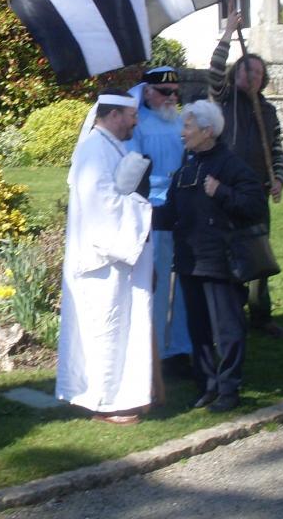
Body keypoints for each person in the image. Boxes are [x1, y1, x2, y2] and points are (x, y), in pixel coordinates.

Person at [56, 91, 155, 424]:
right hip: (103, 262)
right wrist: (143, 208)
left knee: (121, 326)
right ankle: (104, 401)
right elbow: (103, 206)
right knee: (105, 329)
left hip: (118, 261)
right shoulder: (94, 150)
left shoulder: (111, 146)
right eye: (132, 116)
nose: (135, 121)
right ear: (114, 115)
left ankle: (122, 395)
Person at [162, 100, 267, 413]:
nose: (183, 133)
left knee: (228, 329)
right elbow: (169, 214)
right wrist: (137, 207)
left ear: (207, 131)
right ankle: (207, 386)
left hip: (221, 261)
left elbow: (255, 206)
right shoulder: (186, 167)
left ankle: (229, 388)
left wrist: (222, 191)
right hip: (189, 261)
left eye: (188, 126)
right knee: (199, 330)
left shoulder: (231, 165)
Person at [209, 9, 283, 339]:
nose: (252, 75)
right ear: (236, 73)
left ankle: (261, 317)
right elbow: (215, 71)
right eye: (247, 69)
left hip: (255, 193)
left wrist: (279, 178)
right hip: (225, 191)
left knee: (259, 257)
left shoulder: (267, 110)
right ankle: (230, 317)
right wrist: (229, 32)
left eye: (258, 72)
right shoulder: (222, 98)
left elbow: (276, 150)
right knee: (227, 256)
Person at [126, 67, 192, 370]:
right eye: (166, 92)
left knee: (184, 282)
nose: (172, 97)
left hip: (182, 207)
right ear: (148, 92)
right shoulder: (137, 126)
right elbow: (133, 170)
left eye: (176, 92)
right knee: (158, 281)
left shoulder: (179, 121)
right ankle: (154, 351)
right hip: (154, 210)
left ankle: (180, 345)